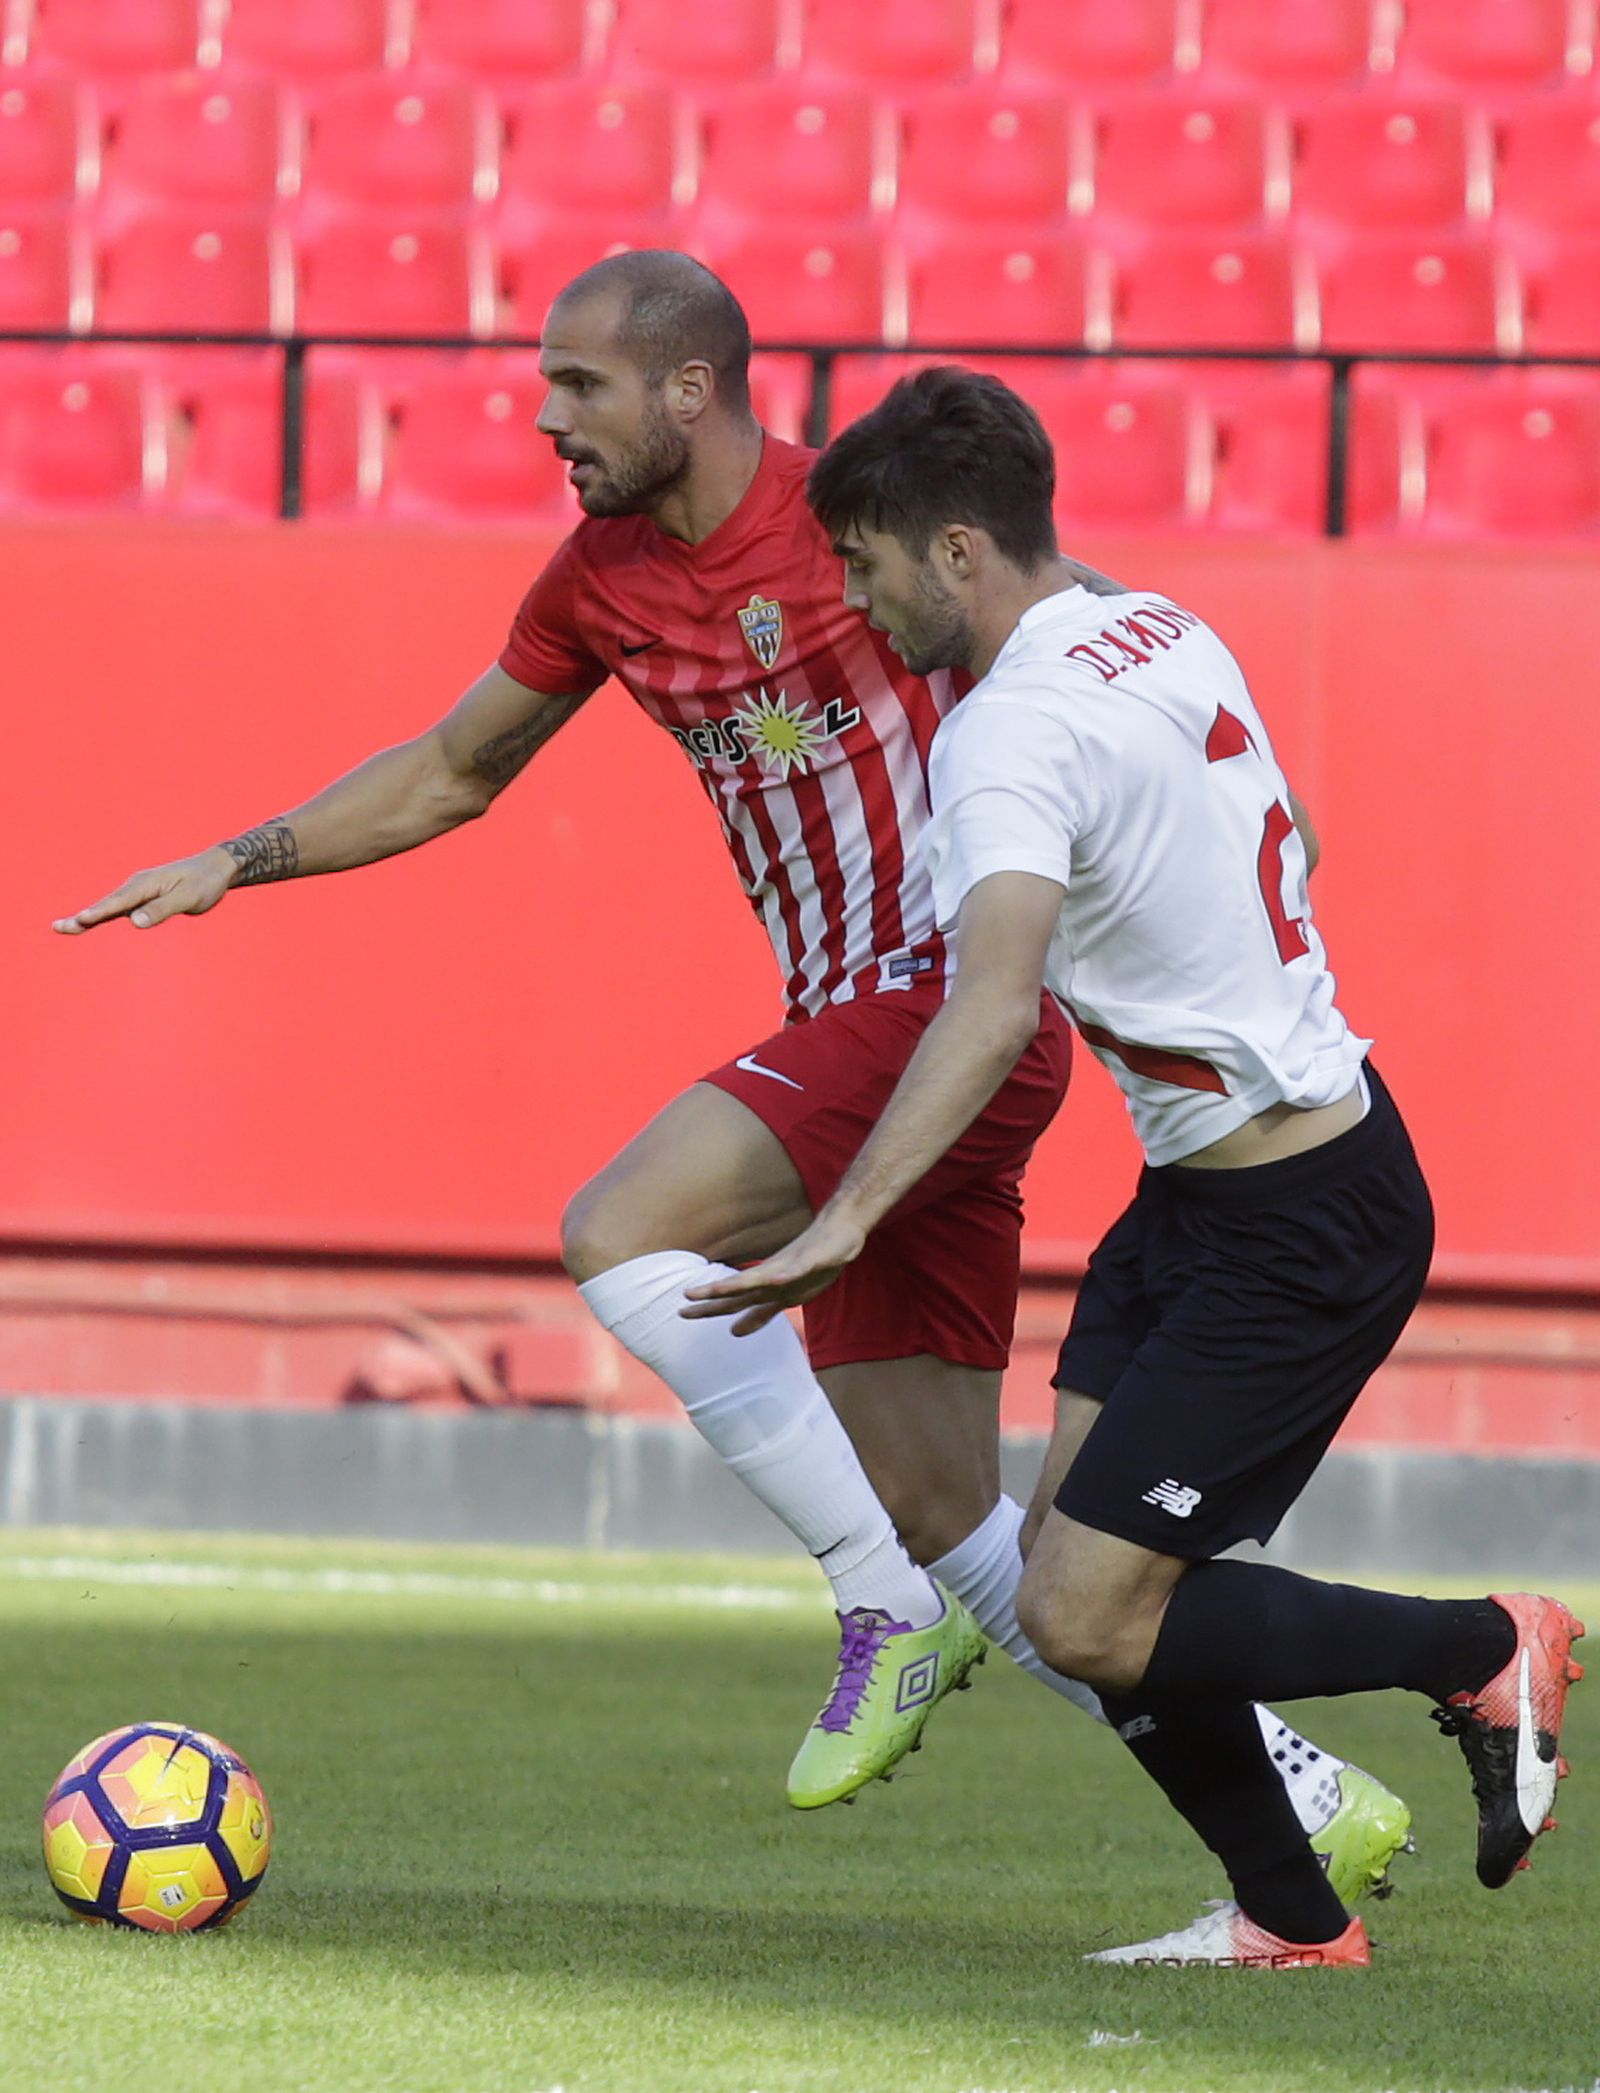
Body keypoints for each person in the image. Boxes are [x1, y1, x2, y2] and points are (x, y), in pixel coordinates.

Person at [58, 255, 1400, 1884]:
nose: (546, 416)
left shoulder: (864, 530)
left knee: (621, 1226)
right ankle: (1310, 1798)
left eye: (579, 385)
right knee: (975, 1533)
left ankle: (866, 1593)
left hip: (943, 1004)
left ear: (687, 388)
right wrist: (240, 854)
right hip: (875, 1043)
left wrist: (1247, 796)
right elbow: (451, 769)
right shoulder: (597, 580)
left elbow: (1065, 622)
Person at [688, 362, 1584, 1967]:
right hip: (1214, 1193)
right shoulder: (1159, 623)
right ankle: (1291, 1920)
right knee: (1068, 1588)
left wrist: (848, 1219)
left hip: (1303, 1221)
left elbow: (990, 1004)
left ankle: (1487, 1644)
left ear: (956, 553)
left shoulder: (1002, 734)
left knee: (1088, 1612)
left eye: (867, 563)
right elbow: (1295, 823)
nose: (854, 600)